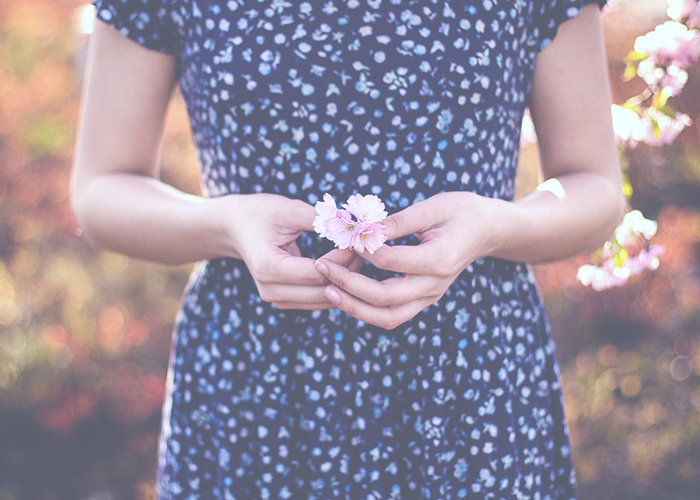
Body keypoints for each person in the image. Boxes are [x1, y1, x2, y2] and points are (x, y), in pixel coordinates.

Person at [72, 0, 625, 498]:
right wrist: (225, 224)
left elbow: (594, 187)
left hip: (467, 375)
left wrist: (494, 224)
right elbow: (101, 190)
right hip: (257, 375)